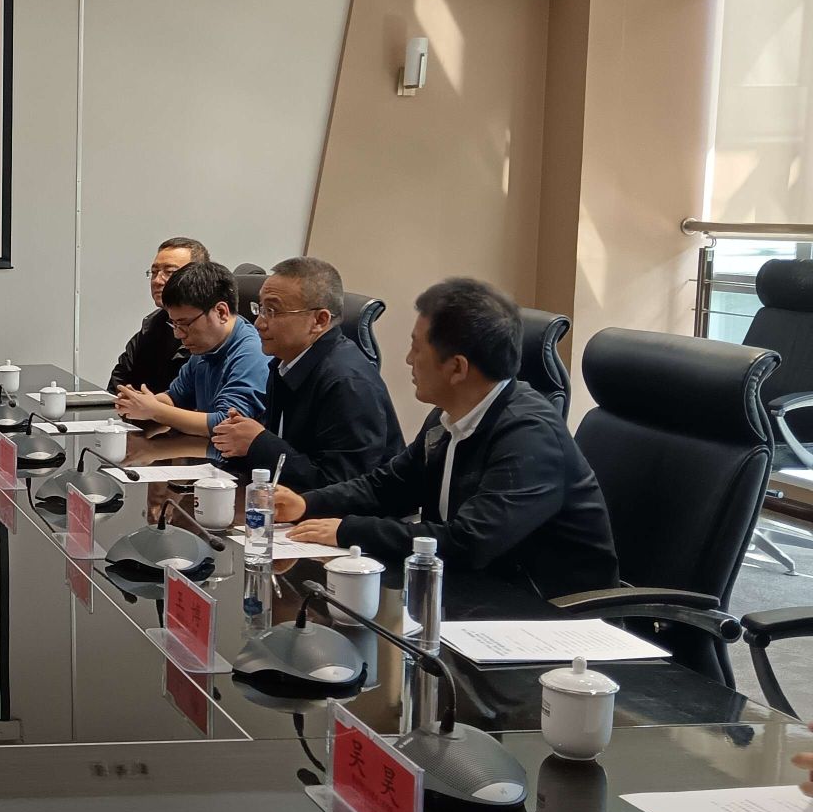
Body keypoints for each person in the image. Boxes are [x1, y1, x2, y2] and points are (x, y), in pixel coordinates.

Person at [276, 277, 619, 597]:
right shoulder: (448, 415)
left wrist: (347, 530)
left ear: (457, 368)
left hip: (548, 611)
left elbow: (469, 542)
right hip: (473, 592)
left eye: (416, 348)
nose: (408, 360)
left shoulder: (530, 436)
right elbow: (389, 486)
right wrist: (307, 504)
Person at [209, 256, 403, 489]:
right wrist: (239, 439)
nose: (259, 323)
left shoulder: (348, 382)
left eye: (272, 311)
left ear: (319, 320)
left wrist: (258, 443)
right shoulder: (284, 363)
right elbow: (287, 448)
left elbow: (342, 486)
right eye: (260, 309)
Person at [114, 260, 270, 439]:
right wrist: (140, 403)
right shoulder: (205, 347)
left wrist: (154, 410)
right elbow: (176, 397)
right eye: (174, 324)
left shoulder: (253, 353)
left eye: (185, 324)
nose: (178, 334)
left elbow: (227, 424)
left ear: (221, 312)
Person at [108, 236, 207, 394]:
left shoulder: (210, 335)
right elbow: (117, 385)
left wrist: (149, 404)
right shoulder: (152, 326)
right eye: (154, 272)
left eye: (169, 272)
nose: (157, 281)